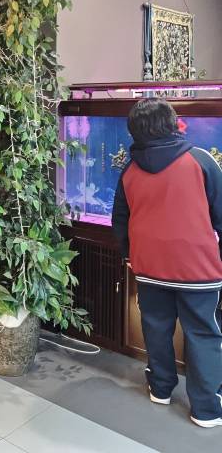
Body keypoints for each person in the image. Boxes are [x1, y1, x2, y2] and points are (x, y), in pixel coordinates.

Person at [112, 97, 222, 428]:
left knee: (156, 329)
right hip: (198, 270)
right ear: (173, 123)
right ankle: (206, 409)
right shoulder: (200, 161)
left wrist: (129, 256)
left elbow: (120, 221)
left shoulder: (128, 170)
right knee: (202, 333)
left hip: (149, 268)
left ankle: (160, 389)